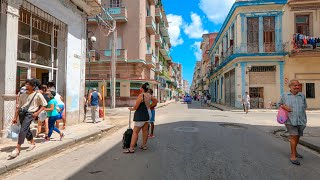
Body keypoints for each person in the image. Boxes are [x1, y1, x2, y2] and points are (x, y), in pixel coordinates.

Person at [9, 79, 48, 158]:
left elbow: (44, 105)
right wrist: (15, 118)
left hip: (30, 114)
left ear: (33, 86)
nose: (26, 85)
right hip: (21, 113)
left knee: (23, 129)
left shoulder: (38, 95)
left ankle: (17, 148)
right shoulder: (22, 95)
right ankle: (33, 143)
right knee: (26, 130)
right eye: (26, 84)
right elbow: (18, 107)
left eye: (28, 84)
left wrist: (37, 113)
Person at [279, 79, 307, 166]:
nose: (297, 86)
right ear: (290, 86)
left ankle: (295, 151)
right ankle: (293, 155)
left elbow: (305, 106)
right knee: (294, 136)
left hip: (301, 120)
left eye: (298, 85)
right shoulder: (284, 95)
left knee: (297, 136)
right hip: (290, 120)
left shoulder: (302, 95)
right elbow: (279, 104)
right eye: (295, 85)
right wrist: (285, 107)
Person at [124, 83, 152, 153]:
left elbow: (136, 107)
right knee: (145, 131)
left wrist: (132, 109)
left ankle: (131, 148)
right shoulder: (149, 95)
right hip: (148, 114)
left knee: (135, 132)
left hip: (141, 115)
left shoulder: (141, 95)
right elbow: (152, 102)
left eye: (140, 87)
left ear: (142, 89)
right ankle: (143, 145)